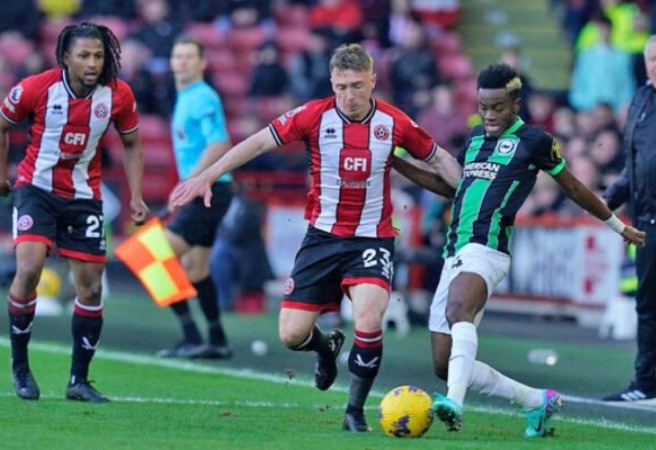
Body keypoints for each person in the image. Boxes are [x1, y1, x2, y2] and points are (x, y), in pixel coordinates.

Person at [168, 43, 462, 432]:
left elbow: (439, 158)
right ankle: (325, 347)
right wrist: (207, 174)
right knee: (291, 335)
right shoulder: (313, 116)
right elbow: (257, 141)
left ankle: (353, 412)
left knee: (369, 317)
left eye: (358, 85)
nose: (349, 96)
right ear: (331, 82)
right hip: (321, 238)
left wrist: (474, 195)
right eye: (341, 86)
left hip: (371, 239)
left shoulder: (393, 122)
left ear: (373, 81)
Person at [393, 63, 645, 437]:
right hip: (455, 251)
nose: (490, 115)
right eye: (484, 107)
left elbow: (573, 188)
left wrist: (617, 226)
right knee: (445, 364)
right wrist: (394, 162)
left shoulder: (535, 141)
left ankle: (455, 404)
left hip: (489, 248)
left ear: (516, 104)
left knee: (458, 309)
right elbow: (452, 188)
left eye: (498, 107)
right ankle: (535, 401)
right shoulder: (475, 139)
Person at [0, 22, 150, 402]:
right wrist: (2, 174)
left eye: (98, 55)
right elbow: (2, 125)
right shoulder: (36, 88)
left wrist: (135, 196)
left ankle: (78, 381)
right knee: (29, 268)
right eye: (84, 55)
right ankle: (20, 367)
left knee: (92, 286)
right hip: (36, 189)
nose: (93, 63)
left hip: (85, 195)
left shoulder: (118, 95)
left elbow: (132, 144)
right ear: (65, 57)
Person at [602, 32, 656, 407]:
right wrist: (610, 200)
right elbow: (635, 165)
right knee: (648, 307)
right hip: (648, 224)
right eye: (654, 59)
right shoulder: (643, 100)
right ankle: (645, 386)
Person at [156, 36, 234, 359]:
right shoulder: (187, 96)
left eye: (189, 56)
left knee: (152, 257)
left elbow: (220, 144)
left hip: (209, 192)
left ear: (203, 63)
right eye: (177, 56)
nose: (182, 62)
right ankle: (216, 340)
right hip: (212, 190)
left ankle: (191, 336)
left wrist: (189, 182)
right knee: (195, 268)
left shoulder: (203, 97)